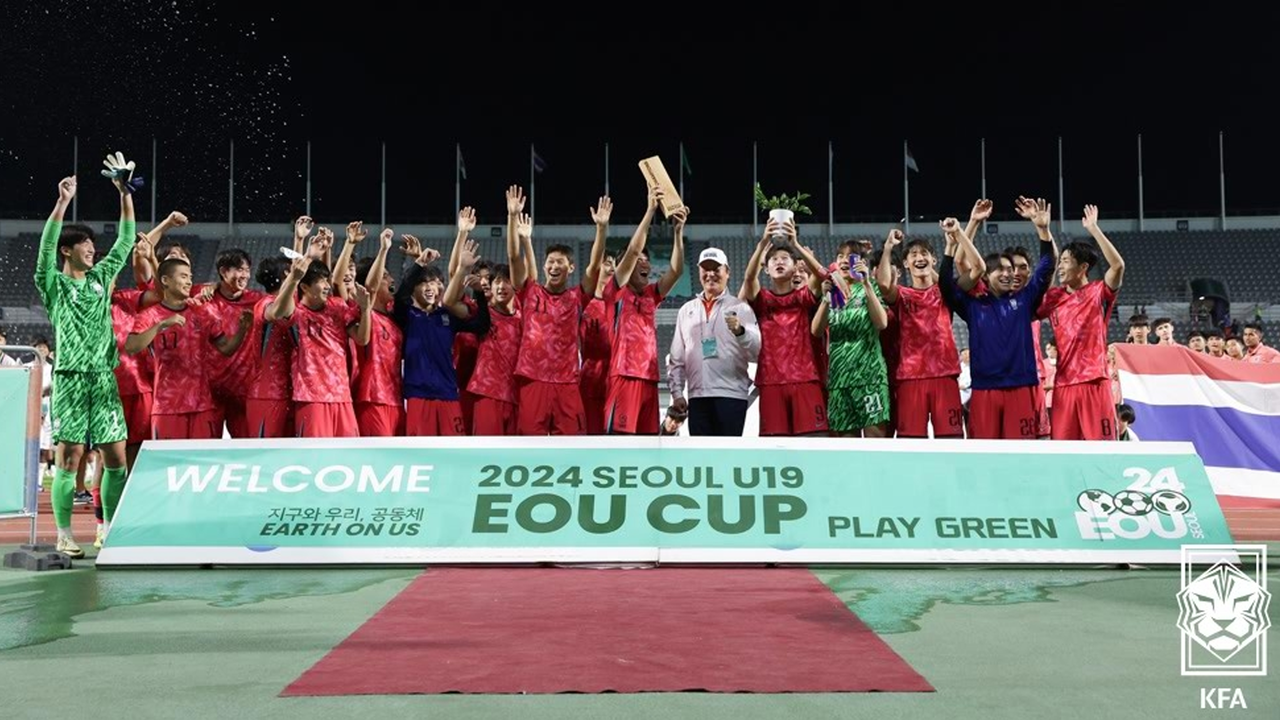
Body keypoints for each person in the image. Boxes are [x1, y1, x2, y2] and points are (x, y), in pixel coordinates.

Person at [33, 158, 138, 557]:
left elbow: (126, 240)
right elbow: (45, 248)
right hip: (72, 379)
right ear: (67, 251)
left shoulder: (100, 279)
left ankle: (107, 528)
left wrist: (124, 194)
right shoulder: (53, 284)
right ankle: (63, 533)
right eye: (86, 246)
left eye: (94, 247)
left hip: (103, 379)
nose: (94, 251)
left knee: (116, 458)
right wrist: (62, 204)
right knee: (70, 456)